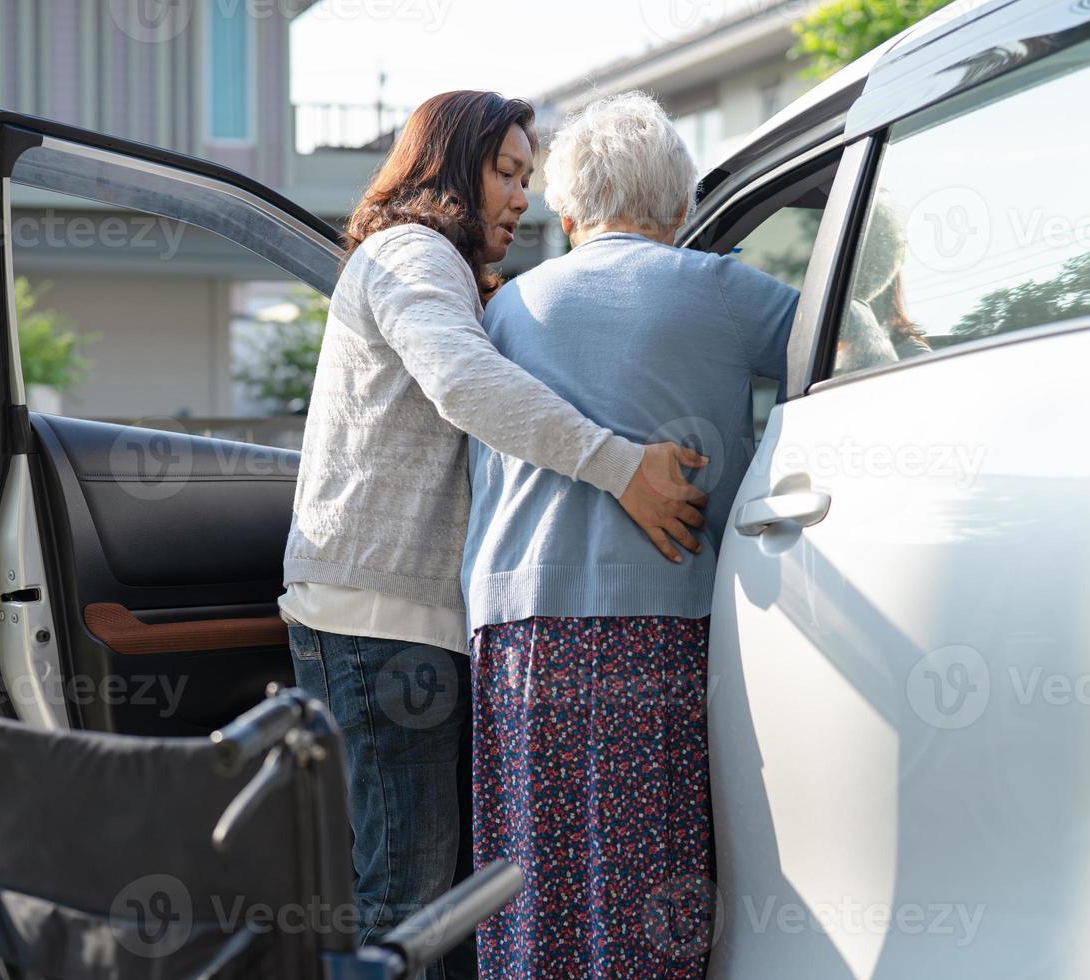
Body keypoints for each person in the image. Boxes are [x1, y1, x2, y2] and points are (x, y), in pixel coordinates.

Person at [279, 90, 709, 980]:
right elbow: (464, 384)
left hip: (405, 624)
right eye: (505, 173)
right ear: (449, 168)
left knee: (439, 909)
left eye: (527, 175)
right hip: (380, 626)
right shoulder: (411, 253)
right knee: (409, 906)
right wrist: (620, 465)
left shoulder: (447, 273)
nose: (523, 197)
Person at [460, 91, 801, 978]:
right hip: (662, 623)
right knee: (655, 888)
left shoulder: (507, 310)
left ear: (568, 215)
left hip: (519, 630)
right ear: (683, 209)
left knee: (532, 882)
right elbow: (849, 338)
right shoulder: (721, 289)